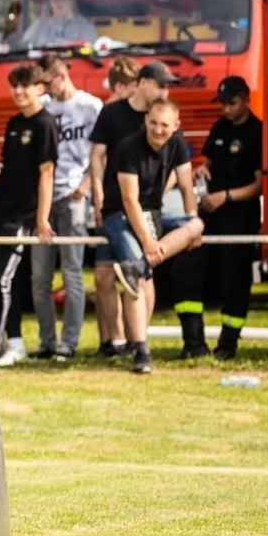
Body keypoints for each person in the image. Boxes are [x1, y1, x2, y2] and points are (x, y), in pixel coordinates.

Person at [102, 99, 204, 374]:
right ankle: (141, 350)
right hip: (119, 214)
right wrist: (148, 241)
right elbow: (129, 200)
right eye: (154, 123)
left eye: (165, 125)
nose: (158, 130)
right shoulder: (128, 148)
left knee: (197, 224)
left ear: (176, 126)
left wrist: (190, 223)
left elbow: (187, 187)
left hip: (153, 213)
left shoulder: (177, 145)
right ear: (146, 121)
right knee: (138, 277)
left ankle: (142, 263)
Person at [89, 59, 174, 357]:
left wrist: (155, 194)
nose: (165, 92)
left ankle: (138, 339)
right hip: (112, 207)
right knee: (103, 275)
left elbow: (177, 162)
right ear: (143, 83)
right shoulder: (112, 113)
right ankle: (114, 341)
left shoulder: (161, 119)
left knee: (140, 270)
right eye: (161, 85)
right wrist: (97, 196)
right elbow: (97, 156)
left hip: (143, 211)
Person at [176, 76, 263, 360]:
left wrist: (225, 196)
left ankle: (227, 345)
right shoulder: (220, 126)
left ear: (246, 100)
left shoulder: (257, 132)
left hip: (239, 214)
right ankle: (193, 343)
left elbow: (259, 185)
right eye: (222, 103)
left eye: (231, 103)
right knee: (188, 269)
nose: (225, 109)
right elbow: (210, 160)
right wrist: (203, 170)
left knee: (235, 278)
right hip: (210, 211)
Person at [0, 64, 58, 366]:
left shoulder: (45, 124)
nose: (18, 91)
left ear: (40, 88)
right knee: (3, 281)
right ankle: (14, 342)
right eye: (14, 85)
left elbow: (46, 174)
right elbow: (14, 168)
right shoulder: (14, 122)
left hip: (21, 217)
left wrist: (41, 219)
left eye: (24, 85)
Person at [31, 53, 104, 359]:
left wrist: (87, 185)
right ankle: (47, 342)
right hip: (45, 197)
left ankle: (69, 343)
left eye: (48, 82)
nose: (45, 89)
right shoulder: (42, 106)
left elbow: (101, 152)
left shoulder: (90, 106)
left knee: (72, 270)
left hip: (74, 195)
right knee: (40, 276)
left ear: (61, 76)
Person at [23, 0, 97, 48]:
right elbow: (24, 45)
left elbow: (90, 50)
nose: (57, 2)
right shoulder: (41, 25)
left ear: (72, 1)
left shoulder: (85, 27)